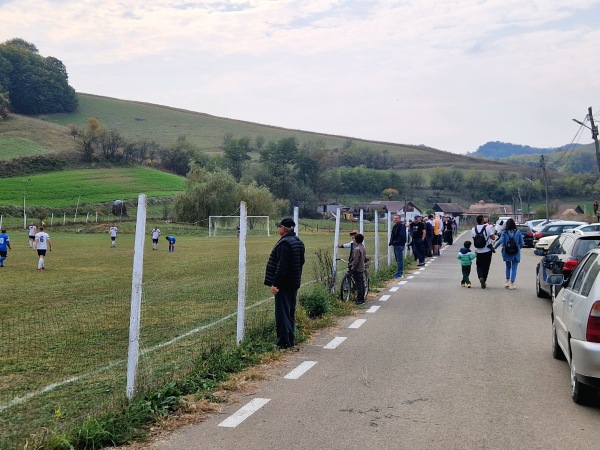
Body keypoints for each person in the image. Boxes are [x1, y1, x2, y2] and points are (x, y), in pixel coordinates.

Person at [264, 217, 305, 349]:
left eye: (279, 227)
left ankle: (283, 342)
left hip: (284, 284)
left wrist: (275, 284)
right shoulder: (298, 241)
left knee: (282, 313)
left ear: (283, 229)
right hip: (294, 281)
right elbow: (301, 262)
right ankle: (290, 339)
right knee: (290, 312)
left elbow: (281, 266)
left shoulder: (285, 244)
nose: (278, 229)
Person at [494, 218, 525, 289]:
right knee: (514, 267)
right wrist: (518, 247)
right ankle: (512, 283)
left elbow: (500, 241)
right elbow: (522, 243)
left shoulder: (504, 232)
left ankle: (507, 281)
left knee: (508, 266)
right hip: (516, 253)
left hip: (506, 252)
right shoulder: (518, 232)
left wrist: (494, 247)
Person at [471, 215, 496, 289]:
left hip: (478, 251)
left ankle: (480, 277)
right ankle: (484, 279)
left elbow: (474, 239)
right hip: (487, 250)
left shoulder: (473, 229)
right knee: (486, 266)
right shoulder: (487, 228)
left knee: (479, 266)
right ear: (482, 221)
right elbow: (493, 237)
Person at [350, 233, 367, 304]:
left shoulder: (357, 249)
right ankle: (362, 298)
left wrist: (352, 267)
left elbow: (355, 260)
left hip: (357, 268)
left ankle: (360, 299)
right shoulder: (362, 247)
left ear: (356, 240)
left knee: (358, 285)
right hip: (361, 267)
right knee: (361, 283)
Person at [389, 214, 406, 278]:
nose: (395, 219)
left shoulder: (401, 226)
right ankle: (399, 271)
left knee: (399, 260)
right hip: (396, 244)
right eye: (394, 218)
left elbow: (402, 236)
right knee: (397, 259)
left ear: (400, 219)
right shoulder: (396, 226)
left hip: (399, 245)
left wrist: (396, 242)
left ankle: (400, 273)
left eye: (396, 218)